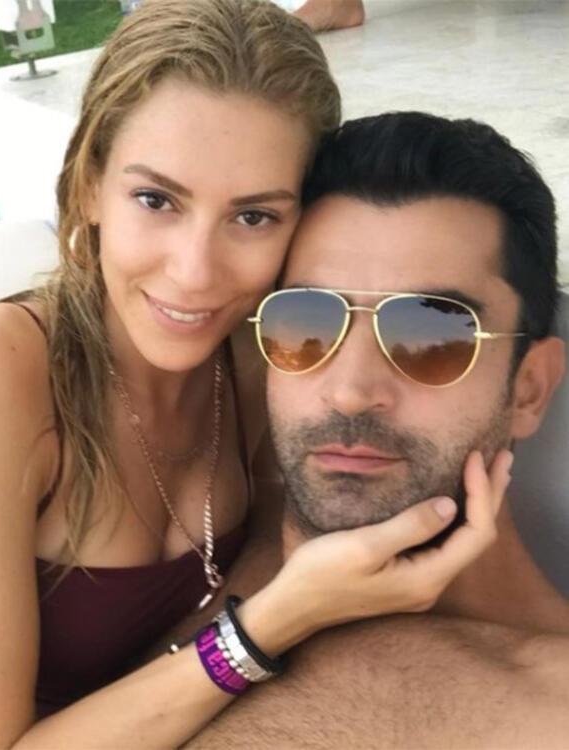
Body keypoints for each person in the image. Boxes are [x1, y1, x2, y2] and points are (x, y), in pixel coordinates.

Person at [0, 3, 508, 749]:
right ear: (89, 185)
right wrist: (275, 621)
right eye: (156, 200)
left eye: (253, 217)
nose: (196, 272)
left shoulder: (258, 354)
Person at [184, 112, 569, 748]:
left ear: (529, 388)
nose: (351, 390)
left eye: (432, 334)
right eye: (306, 322)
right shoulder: (182, 548)